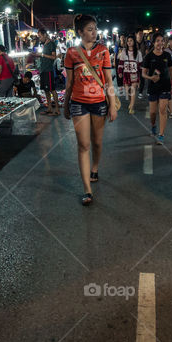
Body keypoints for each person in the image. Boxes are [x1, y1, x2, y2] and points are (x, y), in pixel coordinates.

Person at [63, 14, 119, 205]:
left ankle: (95, 166)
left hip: (99, 102)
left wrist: (112, 105)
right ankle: (87, 189)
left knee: (96, 142)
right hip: (78, 102)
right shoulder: (71, 53)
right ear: (80, 32)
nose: (94, 32)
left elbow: (109, 80)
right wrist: (65, 105)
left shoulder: (103, 51)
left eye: (95, 28)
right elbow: (69, 82)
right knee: (83, 145)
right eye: (89, 29)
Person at [141, 32, 172, 145]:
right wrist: (151, 77)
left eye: (162, 41)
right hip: (153, 87)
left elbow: (171, 70)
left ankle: (161, 135)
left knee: (163, 110)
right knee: (153, 112)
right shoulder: (148, 57)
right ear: (154, 43)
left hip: (165, 85)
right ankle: (154, 125)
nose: (160, 43)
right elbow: (143, 74)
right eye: (158, 41)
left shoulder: (167, 55)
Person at [36, 28, 60, 115]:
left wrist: (42, 55)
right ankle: (49, 108)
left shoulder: (51, 44)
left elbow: (54, 57)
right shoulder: (43, 44)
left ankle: (57, 110)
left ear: (45, 35)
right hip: (43, 69)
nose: (39, 38)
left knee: (52, 90)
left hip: (48, 70)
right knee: (46, 90)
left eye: (40, 36)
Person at [118, 36, 142, 114]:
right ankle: (130, 103)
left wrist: (140, 76)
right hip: (126, 73)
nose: (129, 42)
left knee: (133, 90)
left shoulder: (138, 52)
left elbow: (140, 65)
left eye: (131, 40)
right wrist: (120, 72)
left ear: (134, 42)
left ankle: (132, 107)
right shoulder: (124, 52)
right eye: (128, 41)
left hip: (134, 73)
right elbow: (121, 63)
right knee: (127, 91)